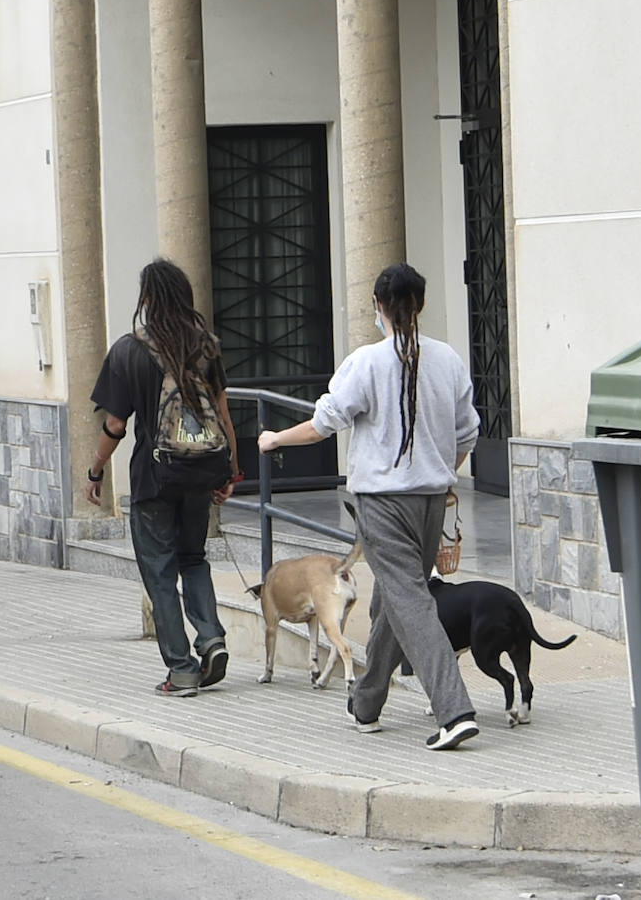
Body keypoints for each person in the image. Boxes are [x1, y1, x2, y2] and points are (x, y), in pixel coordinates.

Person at [258, 263, 482, 750]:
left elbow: (323, 424)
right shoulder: (447, 360)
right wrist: (441, 471)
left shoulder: (367, 361)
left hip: (382, 504)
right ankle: (366, 702)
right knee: (394, 601)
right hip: (430, 503)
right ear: (421, 305)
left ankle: (454, 710)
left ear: (378, 306)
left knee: (411, 601)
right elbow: (467, 432)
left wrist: (274, 439)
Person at [86, 258, 241, 697]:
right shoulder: (206, 347)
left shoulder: (127, 351)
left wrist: (96, 468)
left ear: (148, 300)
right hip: (199, 474)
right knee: (193, 558)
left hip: (153, 478)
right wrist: (230, 469)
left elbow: (116, 424)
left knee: (159, 573)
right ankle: (211, 637)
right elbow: (223, 412)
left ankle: (183, 670)